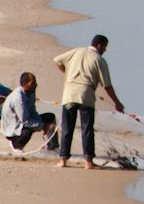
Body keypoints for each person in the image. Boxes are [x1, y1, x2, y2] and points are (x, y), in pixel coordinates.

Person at [53, 34, 124, 169]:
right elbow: (107, 85)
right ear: (99, 45)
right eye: (105, 47)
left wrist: (68, 74)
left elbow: (57, 61)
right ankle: (88, 162)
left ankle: (63, 160)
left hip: (69, 94)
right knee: (87, 129)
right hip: (86, 95)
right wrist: (117, 102)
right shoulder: (99, 59)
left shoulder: (76, 51)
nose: (105, 50)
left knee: (67, 128)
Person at [0, 72, 59, 156]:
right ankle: (16, 145)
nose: (35, 85)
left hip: (22, 122)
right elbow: (25, 121)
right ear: (24, 84)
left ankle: (53, 147)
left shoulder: (30, 93)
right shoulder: (18, 98)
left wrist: (42, 124)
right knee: (29, 129)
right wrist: (43, 126)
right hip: (13, 129)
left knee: (50, 117)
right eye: (32, 83)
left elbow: (32, 111)